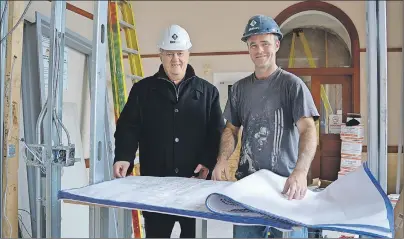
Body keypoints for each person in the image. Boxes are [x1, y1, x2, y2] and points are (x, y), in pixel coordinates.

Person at [211, 15, 319, 238]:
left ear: (277, 45)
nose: (259, 50)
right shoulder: (240, 89)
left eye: (265, 43)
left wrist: (300, 171)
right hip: (247, 189)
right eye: (253, 45)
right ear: (248, 49)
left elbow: (308, 130)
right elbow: (231, 129)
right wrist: (222, 159)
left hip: (286, 189)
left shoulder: (292, 86)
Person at [112, 24, 225, 238]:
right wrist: (124, 156)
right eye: (170, 54)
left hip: (194, 184)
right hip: (155, 186)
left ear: (188, 54)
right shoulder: (143, 90)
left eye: (180, 53)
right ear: (160, 55)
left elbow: (216, 131)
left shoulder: (208, 92)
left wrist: (208, 161)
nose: (176, 59)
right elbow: (128, 126)